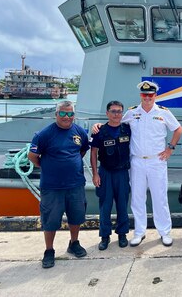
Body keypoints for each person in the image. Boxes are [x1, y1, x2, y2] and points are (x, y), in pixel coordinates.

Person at [27, 101, 90, 269]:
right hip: (52, 186)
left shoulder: (79, 132)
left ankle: (74, 243)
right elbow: (32, 156)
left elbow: (83, 149)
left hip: (75, 184)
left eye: (70, 114)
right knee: (50, 220)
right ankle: (49, 250)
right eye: (63, 113)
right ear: (56, 114)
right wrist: (45, 165)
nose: (67, 117)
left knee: (76, 216)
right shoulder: (44, 134)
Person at [123, 81, 182, 247]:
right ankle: (139, 232)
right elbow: (116, 125)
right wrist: (98, 127)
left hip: (157, 161)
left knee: (160, 197)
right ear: (140, 95)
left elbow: (177, 129)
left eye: (150, 95)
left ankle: (164, 232)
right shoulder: (132, 112)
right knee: (137, 197)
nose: (147, 98)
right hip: (137, 161)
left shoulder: (163, 112)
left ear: (155, 95)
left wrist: (170, 148)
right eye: (144, 95)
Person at [90, 101, 131, 250]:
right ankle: (105, 236)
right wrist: (95, 174)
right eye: (113, 111)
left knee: (122, 204)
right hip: (105, 173)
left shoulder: (127, 129)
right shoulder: (99, 131)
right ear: (107, 113)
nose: (116, 114)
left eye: (119, 111)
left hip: (122, 173)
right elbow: (93, 152)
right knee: (105, 206)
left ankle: (122, 234)